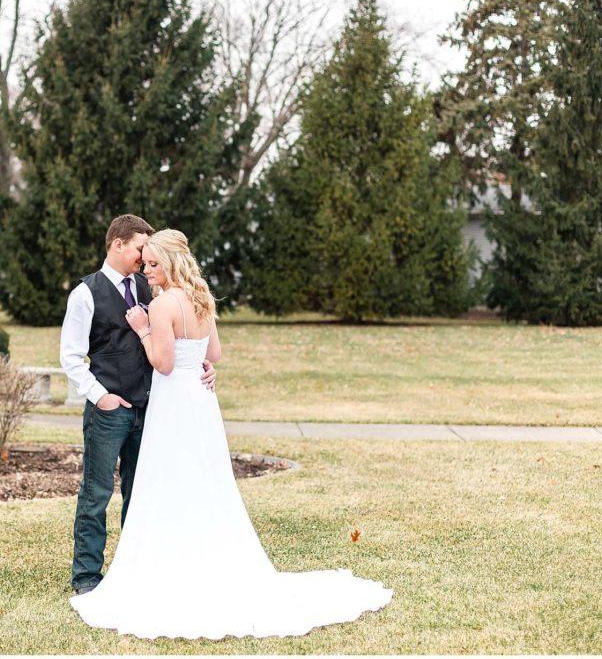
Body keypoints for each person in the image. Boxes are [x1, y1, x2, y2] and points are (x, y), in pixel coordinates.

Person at [69, 229, 393, 639]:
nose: (146, 271)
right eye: (144, 262)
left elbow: (164, 364)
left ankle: (164, 565)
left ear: (169, 263)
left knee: (165, 480)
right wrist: (200, 364)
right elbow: (214, 353)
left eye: (152, 264)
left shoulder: (163, 303)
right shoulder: (202, 296)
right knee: (202, 479)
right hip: (200, 402)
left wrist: (143, 328)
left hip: (172, 402)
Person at [60, 215, 217, 596]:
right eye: (140, 249)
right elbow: (71, 356)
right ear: (118, 244)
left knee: (142, 491)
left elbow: (180, 339)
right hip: (110, 410)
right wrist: (101, 396)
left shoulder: (155, 289)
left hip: (152, 409)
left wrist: (202, 364)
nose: (144, 259)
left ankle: (133, 571)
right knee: (96, 493)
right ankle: (87, 575)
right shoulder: (85, 294)